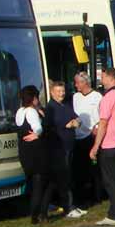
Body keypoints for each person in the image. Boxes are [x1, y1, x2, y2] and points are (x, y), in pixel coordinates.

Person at [90, 68, 115, 226]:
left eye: (102, 77)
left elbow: (103, 123)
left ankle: (114, 214)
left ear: (110, 78)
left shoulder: (108, 97)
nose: (101, 80)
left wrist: (96, 146)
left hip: (110, 143)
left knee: (111, 181)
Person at [45, 81, 87, 219]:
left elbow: (77, 118)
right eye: (58, 91)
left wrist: (77, 122)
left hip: (70, 146)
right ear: (52, 92)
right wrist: (66, 125)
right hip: (60, 148)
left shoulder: (66, 105)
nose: (61, 94)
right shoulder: (51, 108)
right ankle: (68, 207)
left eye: (63, 91)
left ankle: (72, 205)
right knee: (64, 178)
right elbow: (50, 127)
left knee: (69, 177)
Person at [15, 86, 49, 224]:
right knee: (40, 182)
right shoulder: (31, 112)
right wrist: (37, 134)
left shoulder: (19, 112)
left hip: (24, 150)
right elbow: (38, 128)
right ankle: (37, 214)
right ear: (33, 98)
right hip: (35, 151)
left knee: (32, 182)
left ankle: (34, 211)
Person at [72, 71, 104, 205]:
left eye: (78, 82)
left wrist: (96, 128)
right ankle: (83, 195)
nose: (76, 85)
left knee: (94, 168)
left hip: (91, 135)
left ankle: (97, 195)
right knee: (80, 168)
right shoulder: (75, 97)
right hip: (77, 136)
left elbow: (102, 115)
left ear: (85, 82)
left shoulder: (97, 96)